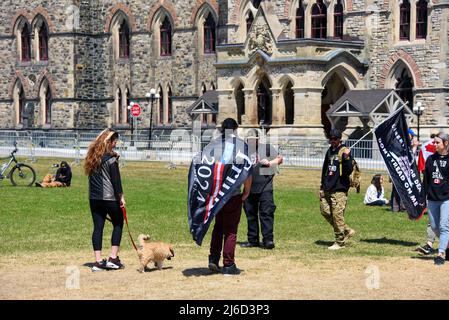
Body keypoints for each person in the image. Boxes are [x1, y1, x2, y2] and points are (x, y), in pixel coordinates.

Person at [208, 118, 252, 275]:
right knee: (231, 229)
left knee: (218, 227)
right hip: (232, 194)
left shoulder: (213, 145)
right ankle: (228, 264)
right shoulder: (241, 146)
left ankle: (213, 259)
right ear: (235, 128)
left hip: (217, 194)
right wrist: (246, 191)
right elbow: (246, 171)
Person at [84, 129, 126, 271]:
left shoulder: (91, 158)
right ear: (108, 142)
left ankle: (98, 261)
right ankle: (113, 258)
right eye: (114, 142)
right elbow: (116, 181)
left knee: (98, 227)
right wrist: (121, 197)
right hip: (109, 198)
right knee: (118, 223)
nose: (115, 144)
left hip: (94, 198)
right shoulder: (111, 160)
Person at [240, 129, 283, 249]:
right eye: (250, 140)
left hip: (265, 187)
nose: (252, 142)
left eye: (254, 140)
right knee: (250, 214)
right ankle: (252, 240)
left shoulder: (266, 148)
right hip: (249, 187)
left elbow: (280, 159)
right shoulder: (244, 151)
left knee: (266, 213)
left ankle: (268, 240)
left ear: (258, 140)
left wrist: (270, 163)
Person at [319, 128, 356, 250]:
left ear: (339, 139)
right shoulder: (330, 151)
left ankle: (339, 242)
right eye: (331, 139)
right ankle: (346, 230)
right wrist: (321, 187)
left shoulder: (345, 151)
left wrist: (346, 160)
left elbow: (348, 171)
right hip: (327, 187)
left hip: (339, 189)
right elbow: (325, 169)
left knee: (337, 215)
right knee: (325, 211)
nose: (332, 141)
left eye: (334, 139)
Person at [423, 132, 449, 265]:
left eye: (437, 142)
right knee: (434, 226)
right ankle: (447, 245)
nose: (435, 145)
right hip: (432, 198)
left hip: (446, 199)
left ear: (445, 143)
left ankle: (441, 253)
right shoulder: (431, 159)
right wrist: (423, 197)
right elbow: (426, 180)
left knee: (444, 226)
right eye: (434, 142)